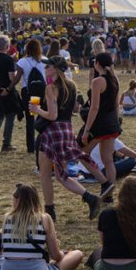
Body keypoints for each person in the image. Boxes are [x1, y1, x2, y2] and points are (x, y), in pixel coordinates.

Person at [30, 56, 104, 220]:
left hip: (52, 133)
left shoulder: (51, 88)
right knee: (60, 175)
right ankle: (90, 198)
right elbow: (73, 109)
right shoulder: (71, 86)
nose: (45, 68)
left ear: (55, 69)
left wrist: (37, 110)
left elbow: (52, 115)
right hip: (66, 130)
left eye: (48, 66)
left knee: (45, 174)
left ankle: (50, 210)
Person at [0, 183, 84, 270]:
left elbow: (5, 251)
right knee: (77, 254)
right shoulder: (45, 218)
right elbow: (56, 256)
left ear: (16, 200)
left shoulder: (7, 218)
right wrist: (61, 252)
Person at [82, 52, 120, 200]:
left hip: (100, 124)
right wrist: (116, 122)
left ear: (97, 64)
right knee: (108, 160)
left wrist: (86, 130)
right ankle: (108, 195)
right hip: (112, 123)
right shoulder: (114, 80)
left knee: (82, 154)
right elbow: (116, 104)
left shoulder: (97, 81)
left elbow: (94, 108)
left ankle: (105, 183)